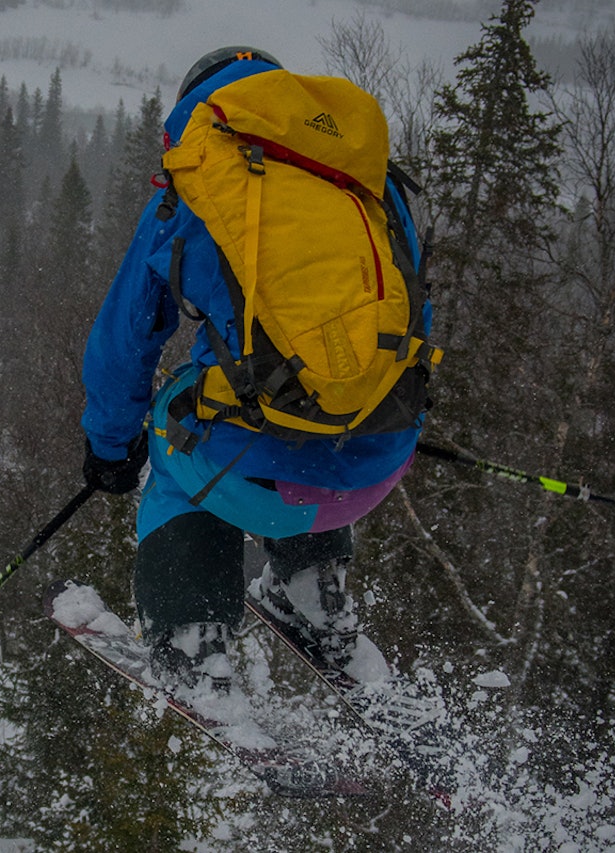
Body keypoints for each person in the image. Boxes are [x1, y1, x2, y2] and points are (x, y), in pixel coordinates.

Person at [80, 47, 431, 697]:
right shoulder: (369, 185)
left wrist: (109, 449)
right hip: (375, 471)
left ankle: (193, 632)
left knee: (173, 422)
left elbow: (126, 338)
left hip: (257, 483)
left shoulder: (201, 175)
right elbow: (416, 322)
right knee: (309, 415)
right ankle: (314, 587)